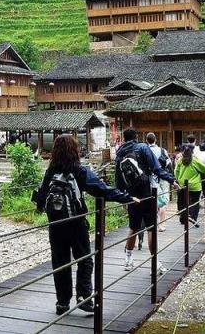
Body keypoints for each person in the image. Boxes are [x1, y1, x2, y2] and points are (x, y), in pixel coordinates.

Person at [35, 135, 138, 316]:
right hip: (76, 222)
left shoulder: (50, 171)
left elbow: (40, 198)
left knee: (60, 262)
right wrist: (127, 197)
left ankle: (62, 302)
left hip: (56, 224)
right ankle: (83, 296)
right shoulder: (79, 170)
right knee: (85, 259)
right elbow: (101, 189)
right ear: (73, 150)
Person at [114, 128, 176, 273]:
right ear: (136, 137)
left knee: (133, 227)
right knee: (151, 227)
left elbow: (118, 178)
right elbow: (156, 168)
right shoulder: (142, 147)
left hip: (131, 196)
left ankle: (128, 260)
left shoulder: (120, 153)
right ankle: (155, 263)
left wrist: (123, 198)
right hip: (147, 193)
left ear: (124, 138)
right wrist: (171, 180)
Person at [174, 144, 205, 228]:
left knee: (183, 202)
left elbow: (176, 171)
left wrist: (178, 180)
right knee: (194, 202)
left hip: (183, 185)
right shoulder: (194, 160)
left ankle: (183, 219)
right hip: (194, 185)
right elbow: (204, 169)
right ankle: (192, 217)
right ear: (192, 152)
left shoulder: (180, 160)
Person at [146, 133, 171, 233]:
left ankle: (152, 224)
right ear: (156, 140)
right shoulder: (162, 150)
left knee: (152, 200)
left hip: (150, 179)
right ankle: (162, 225)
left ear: (146, 140)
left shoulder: (145, 151)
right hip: (163, 178)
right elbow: (168, 164)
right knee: (163, 201)